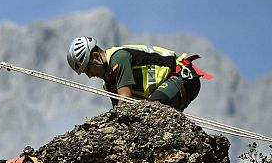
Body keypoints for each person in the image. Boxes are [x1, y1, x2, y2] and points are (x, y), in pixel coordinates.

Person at [66, 36, 211, 112]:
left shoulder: (118, 58)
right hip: (172, 84)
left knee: (149, 110)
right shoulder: (108, 83)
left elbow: (125, 99)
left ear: (96, 56)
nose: (90, 75)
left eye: (88, 69)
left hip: (183, 75)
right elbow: (119, 112)